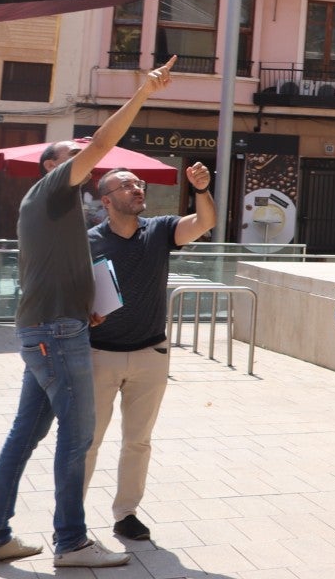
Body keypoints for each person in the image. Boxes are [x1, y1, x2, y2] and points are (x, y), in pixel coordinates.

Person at [0, 60, 175, 569]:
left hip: (51, 326)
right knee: (79, 436)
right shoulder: (52, 189)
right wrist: (143, 93)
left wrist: (87, 305)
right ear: (52, 167)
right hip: (56, 333)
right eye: (72, 154)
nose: (83, 156)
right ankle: (72, 542)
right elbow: (104, 143)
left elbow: (56, 268)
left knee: (25, 436)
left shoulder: (56, 208)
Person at [83, 159, 216, 543]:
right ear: (107, 201)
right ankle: (72, 519)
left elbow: (204, 222)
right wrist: (83, 310)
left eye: (138, 183)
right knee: (88, 442)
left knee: (138, 441)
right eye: (126, 185)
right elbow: (70, 290)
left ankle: (126, 514)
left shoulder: (159, 230)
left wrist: (202, 189)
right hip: (99, 355)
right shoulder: (88, 241)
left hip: (150, 354)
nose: (137, 188)